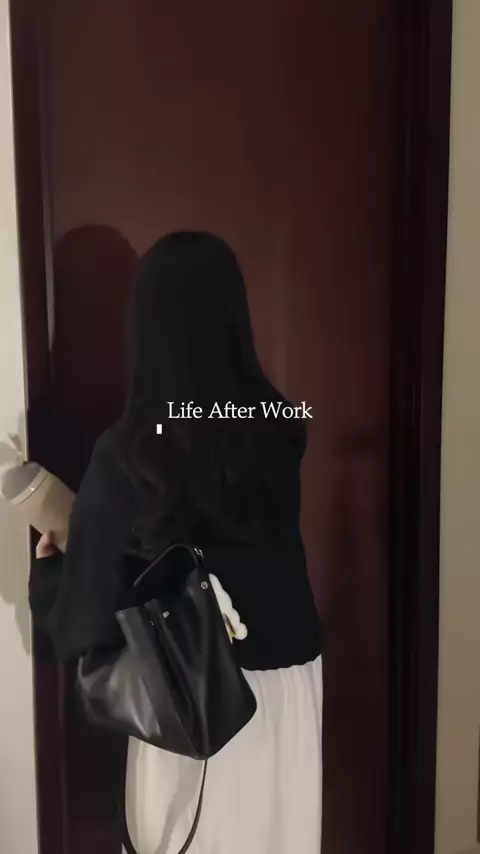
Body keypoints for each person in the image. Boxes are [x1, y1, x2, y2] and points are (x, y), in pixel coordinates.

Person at [29, 231, 324, 854]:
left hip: (191, 696)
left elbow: (78, 626)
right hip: (289, 685)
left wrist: (52, 568)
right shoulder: (276, 424)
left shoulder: (128, 451)